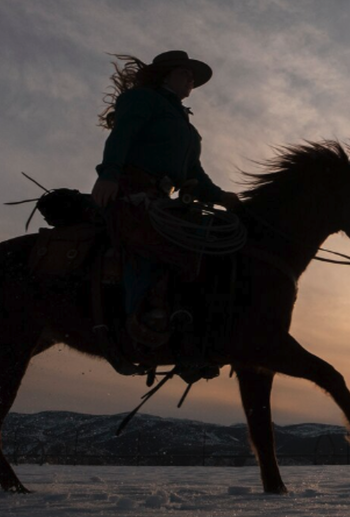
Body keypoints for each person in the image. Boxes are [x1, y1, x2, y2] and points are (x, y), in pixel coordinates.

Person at [92, 50, 240, 350]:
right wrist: (109, 174)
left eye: (193, 77)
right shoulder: (143, 99)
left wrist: (222, 197)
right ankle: (140, 316)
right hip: (132, 189)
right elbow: (122, 135)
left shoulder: (187, 127)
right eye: (185, 73)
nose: (191, 79)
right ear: (165, 75)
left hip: (163, 197)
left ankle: (191, 319)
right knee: (150, 241)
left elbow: (193, 174)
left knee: (204, 238)